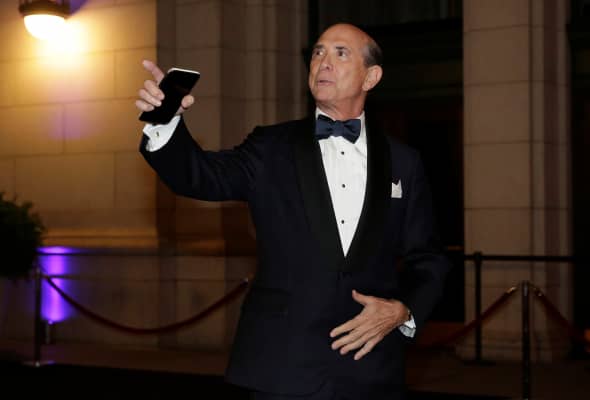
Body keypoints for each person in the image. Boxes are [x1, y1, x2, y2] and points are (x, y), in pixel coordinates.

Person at [136, 23, 450, 400]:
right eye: (318, 52)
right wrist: (165, 119)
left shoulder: (404, 162)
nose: (324, 62)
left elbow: (428, 259)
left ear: (371, 77)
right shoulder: (270, 146)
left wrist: (403, 310)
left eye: (340, 53)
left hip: (371, 370)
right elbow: (200, 176)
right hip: (283, 366)